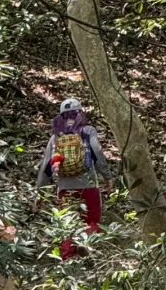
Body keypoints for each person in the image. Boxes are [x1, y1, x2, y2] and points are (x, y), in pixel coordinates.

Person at [35, 97, 114, 257]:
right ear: (80, 114)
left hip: (65, 188)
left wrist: (40, 193)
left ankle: (68, 259)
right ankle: (88, 250)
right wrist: (107, 176)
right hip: (89, 185)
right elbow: (97, 153)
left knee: (67, 225)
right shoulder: (88, 131)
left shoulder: (55, 138)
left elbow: (47, 167)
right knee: (92, 220)